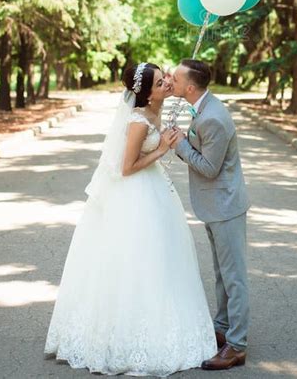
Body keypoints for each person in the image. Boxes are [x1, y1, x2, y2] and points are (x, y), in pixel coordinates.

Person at [44, 62, 217, 376]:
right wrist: (161, 149)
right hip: (136, 195)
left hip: (155, 192)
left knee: (163, 260)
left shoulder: (155, 110)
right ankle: (123, 337)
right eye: (160, 82)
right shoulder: (138, 121)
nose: (167, 82)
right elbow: (126, 167)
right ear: (148, 95)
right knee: (140, 262)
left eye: (165, 77)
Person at [170, 59, 250, 371]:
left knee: (234, 278)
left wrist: (180, 144)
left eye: (175, 78)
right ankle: (222, 327)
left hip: (225, 207)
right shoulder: (203, 107)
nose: (170, 81)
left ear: (189, 87)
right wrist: (186, 141)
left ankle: (238, 346)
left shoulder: (213, 118)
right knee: (222, 274)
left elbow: (208, 167)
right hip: (216, 206)